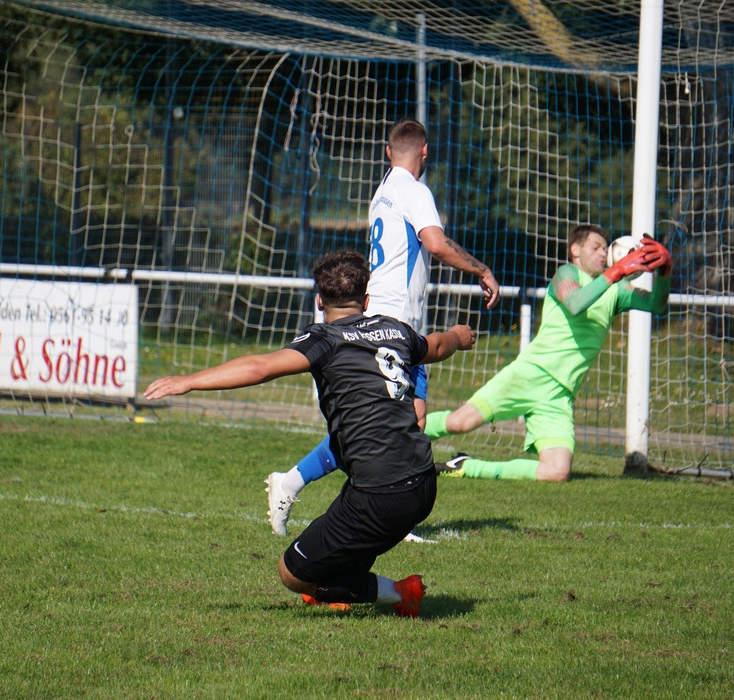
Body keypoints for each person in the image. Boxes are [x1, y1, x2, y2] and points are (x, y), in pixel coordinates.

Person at [144, 250, 476, 615]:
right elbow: (437, 345)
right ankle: (342, 585)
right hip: (424, 483)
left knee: (293, 574)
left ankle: (401, 593)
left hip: (381, 495)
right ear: (366, 300)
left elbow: (260, 366)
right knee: (336, 562)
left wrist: (190, 381)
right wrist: (459, 335)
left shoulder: (325, 340)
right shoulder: (395, 329)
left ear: (319, 302)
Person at [265, 118, 501, 535]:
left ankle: (295, 482)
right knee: (391, 425)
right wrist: (482, 270)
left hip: (388, 318)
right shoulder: (414, 190)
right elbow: (436, 243)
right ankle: (377, 511)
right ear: (424, 152)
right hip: (393, 324)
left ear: (388, 151)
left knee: (411, 419)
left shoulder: (384, 191)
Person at [428, 226, 672, 481]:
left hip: (558, 395)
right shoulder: (567, 273)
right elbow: (576, 303)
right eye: (596, 247)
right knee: (458, 423)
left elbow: (657, 305)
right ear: (575, 250)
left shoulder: (616, 290)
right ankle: (404, 435)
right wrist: (617, 271)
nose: (603, 252)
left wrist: (664, 272)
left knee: (557, 471)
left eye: (605, 247)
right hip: (529, 375)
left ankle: (465, 466)